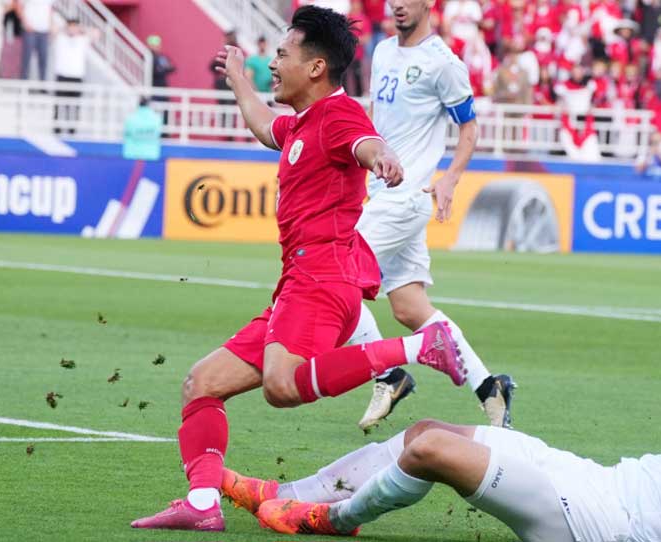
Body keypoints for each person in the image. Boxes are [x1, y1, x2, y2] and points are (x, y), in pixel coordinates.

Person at [130, 5, 469, 532]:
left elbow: (365, 141)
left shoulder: (339, 115)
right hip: (296, 283)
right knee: (202, 383)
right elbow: (266, 126)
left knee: (281, 386)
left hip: (324, 278)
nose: (274, 62)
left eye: (282, 54)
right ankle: (202, 503)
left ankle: (419, 346)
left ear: (315, 68)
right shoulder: (303, 123)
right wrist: (239, 76)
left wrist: (381, 157)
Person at [223, 355, 661, 542]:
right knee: (425, 428)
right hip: (593, 479)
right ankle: (291, 493)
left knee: (433, 449)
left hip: (598, 525)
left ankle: (333, 520)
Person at [351, 0, 515, 433]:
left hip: (407, 196)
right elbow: (379, 120)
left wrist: (451, 178)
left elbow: (469, 127)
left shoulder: (444, 63)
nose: (398, 5)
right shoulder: (383, 50)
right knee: (408, 307)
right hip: (381, 190)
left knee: (336, 280)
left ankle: (389, 375)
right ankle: (489, 388)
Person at [51, 17, 96, 134]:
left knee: (75, 105)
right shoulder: (61, 38)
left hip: (77, 76)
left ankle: (72, 129)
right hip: (62, 75)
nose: (72, 29)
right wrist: (65, 28)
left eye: (74, 26)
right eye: (70, 26)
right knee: (59, 104)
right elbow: (53, 31)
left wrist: (81, 29)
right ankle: (57, 128)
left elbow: (96, 34)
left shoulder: (82, 39)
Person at [16, 0, 53, 81]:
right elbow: (19, 6)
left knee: (43, 59)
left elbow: (50, 9)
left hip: (44, 30)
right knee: (26, 58)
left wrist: (50, 25)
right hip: (30, 30)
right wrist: (25, 23)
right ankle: (23, 84)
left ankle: (42, 85)